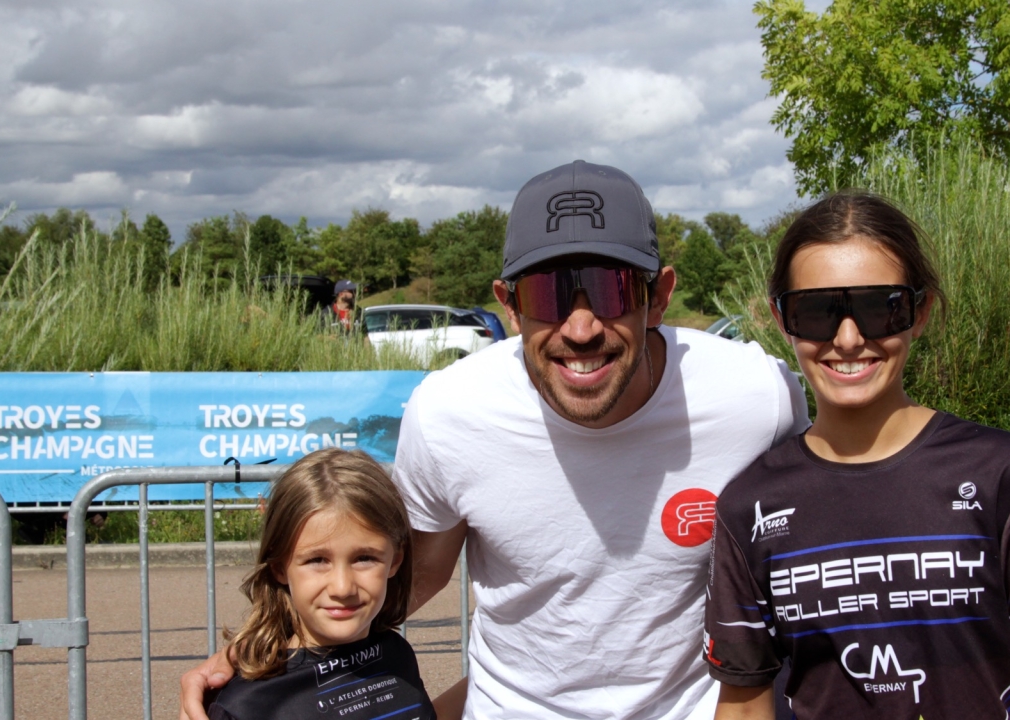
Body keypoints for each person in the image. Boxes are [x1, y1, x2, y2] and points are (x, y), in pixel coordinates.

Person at [181, 159, 809, 720]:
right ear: (509, 305)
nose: (581, 326)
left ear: (659, 296)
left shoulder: (756, 396)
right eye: (547, 293)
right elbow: (405, 580)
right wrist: (252, 654)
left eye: (612, 288)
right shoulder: (451, 412)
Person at [703, 191, 1010, 719]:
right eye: (817, 312)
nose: (848, 339)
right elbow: (745, 704)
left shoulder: (1006, 474)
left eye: (877, 307)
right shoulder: (748, 505)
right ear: (782, 320)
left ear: (920, 311)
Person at [205, 447, 435, 720]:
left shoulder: (396, 655)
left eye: (364, 558)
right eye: (317, 560)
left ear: (395, 561)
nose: (342, 587)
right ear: (279, 566)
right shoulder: (246, 705)